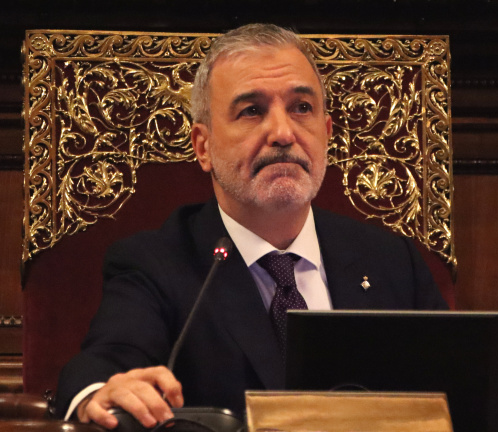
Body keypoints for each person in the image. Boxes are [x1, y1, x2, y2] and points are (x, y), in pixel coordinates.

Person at [55, 23, 448, 429]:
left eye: (301, 108)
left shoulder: (391, 261)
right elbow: (105, 365)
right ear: (203, 146)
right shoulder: (156, 264)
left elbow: (462, 395)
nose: (283, 133)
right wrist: (99, 392)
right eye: (252, 111)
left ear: (327, 133)